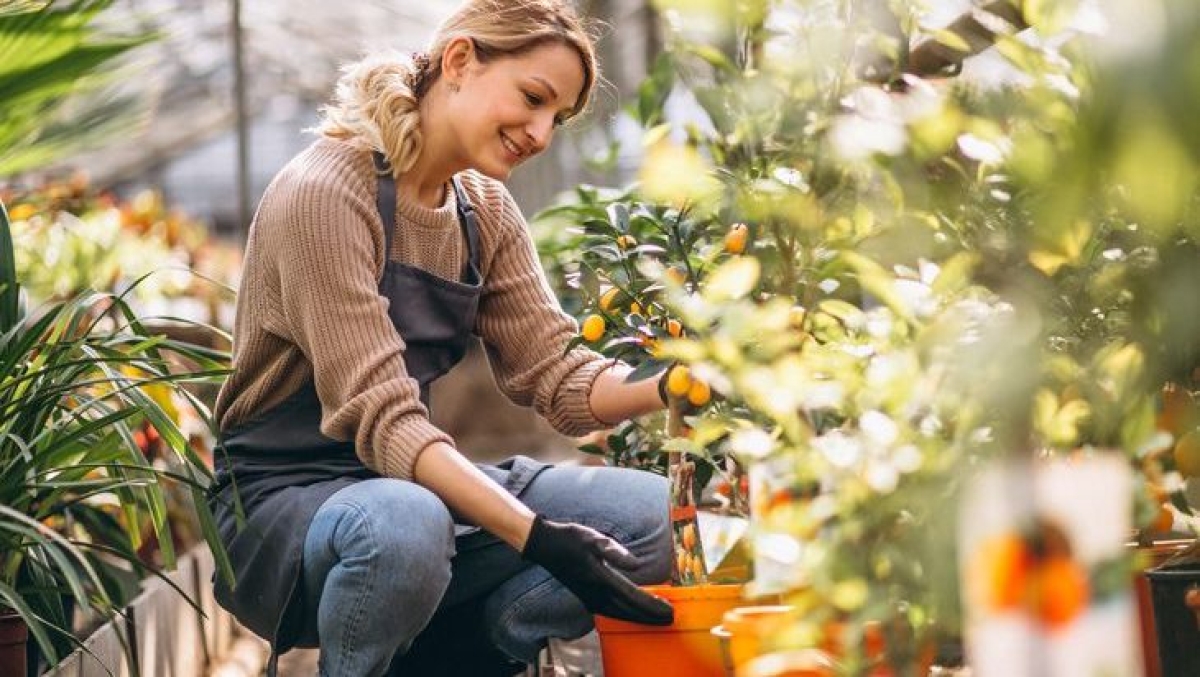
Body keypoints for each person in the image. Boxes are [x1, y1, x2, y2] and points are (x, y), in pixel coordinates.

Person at [207, 1, 677, 675]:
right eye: (533, 98)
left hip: (407, 484)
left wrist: (684, 380)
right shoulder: (325, 194)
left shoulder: (482, 209)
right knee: (404, 526)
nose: (542, 132)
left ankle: (467, 654)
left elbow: (560, 376)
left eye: (559, 117)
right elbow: (388, 420)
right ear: (459, 60)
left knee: (643, 517)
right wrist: (538, 536)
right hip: (284, 502)